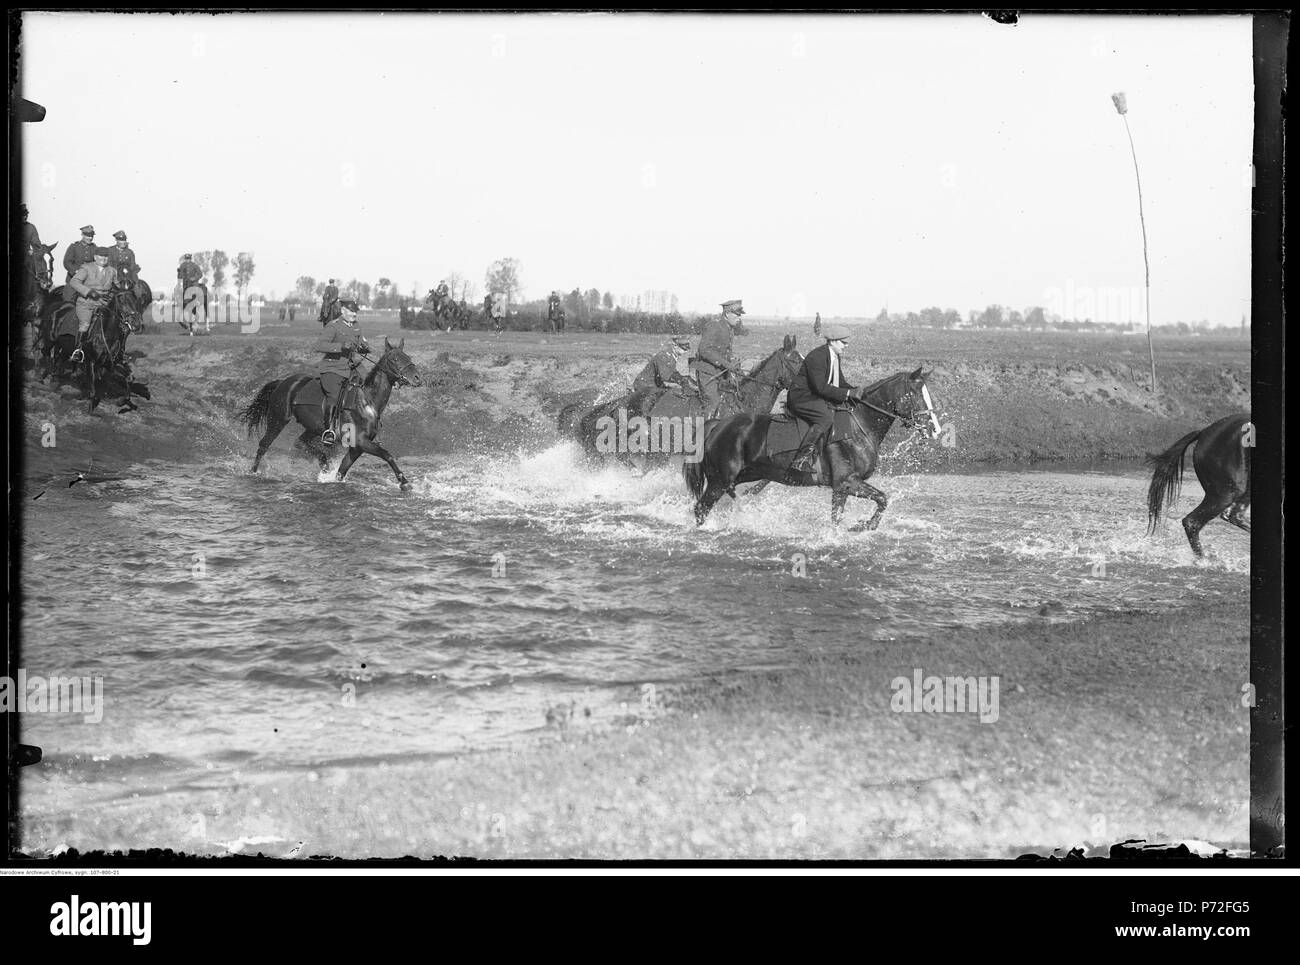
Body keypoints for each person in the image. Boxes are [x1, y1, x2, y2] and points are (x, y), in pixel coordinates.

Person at [784, 325, 867, 478]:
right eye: (844, 342)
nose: (846, 345)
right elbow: (820, 387)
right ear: (833, 341)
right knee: (825, 417)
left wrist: (858, 392)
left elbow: (840, 383)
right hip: (802, 398)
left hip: (815, 396)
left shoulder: (835, 356)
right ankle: (801, 459)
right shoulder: (817, 356)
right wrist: (848, 393)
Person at [312, 299, 370, 445]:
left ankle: (365, 429)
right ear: (343, 310)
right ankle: (329, 431)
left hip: (350, 367)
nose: (354, 314)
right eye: (351, 311)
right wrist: (341, 346)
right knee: (335, 395)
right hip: (332, 368)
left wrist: (364, 348)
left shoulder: (357, 326)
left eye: (355, 312)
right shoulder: (333, 326)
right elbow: (319, 345)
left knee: (367, 389)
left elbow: (363, 343)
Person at [695, 299, 746, 417]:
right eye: (737, 315)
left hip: (720, 373)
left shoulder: (729, 328)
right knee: (713, 403)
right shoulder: (714, 325)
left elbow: (726, 350)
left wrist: (733, 362)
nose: (739, 318)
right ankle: (705, 432)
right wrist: (726, 364)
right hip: (707, 373)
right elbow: (704, 350)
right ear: (727, 314)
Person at [68, 247, 117, 362]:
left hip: (104, 304)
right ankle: (78, 351)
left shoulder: (112, 270)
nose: (103, 259)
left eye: (106, 256)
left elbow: (117, 286)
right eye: (101, 256)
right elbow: (74, 282)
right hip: (86, 304)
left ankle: (118, 352)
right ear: (95, 257)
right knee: (85, 324)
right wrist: (88, 292)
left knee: (117, 324)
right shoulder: (86, 268)